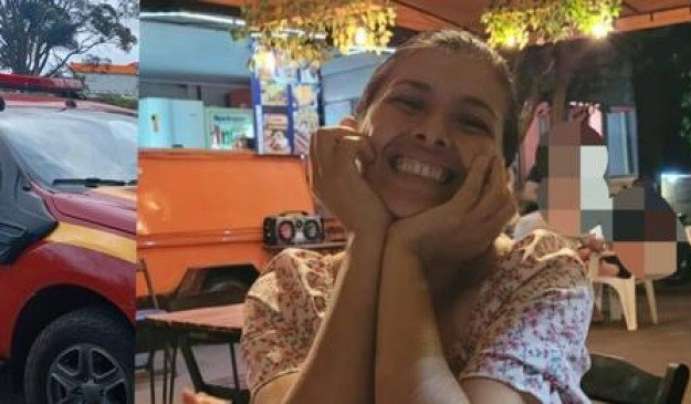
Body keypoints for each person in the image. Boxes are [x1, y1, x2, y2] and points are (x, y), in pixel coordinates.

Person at [187, 30, 593, 404]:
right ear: (351, 132)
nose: (432, 133)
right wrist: (369, 238)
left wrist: (403, 251)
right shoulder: (291, 288)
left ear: (501, 173)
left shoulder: (540, 274)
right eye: (409, 103)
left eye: (471, 122)